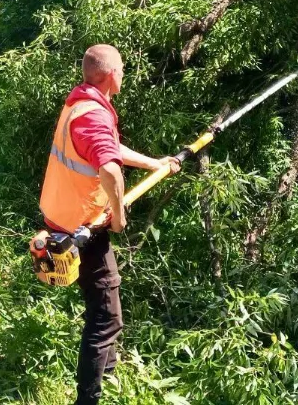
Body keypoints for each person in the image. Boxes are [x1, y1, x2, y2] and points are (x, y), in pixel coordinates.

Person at [39, 44, 181, 405]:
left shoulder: (80, 103)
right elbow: (110, 168)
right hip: (81, 229)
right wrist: (118, 216)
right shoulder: (92, 115)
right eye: (122, 69)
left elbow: (111, 149)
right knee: (106, 318)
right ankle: (88, 399)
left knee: (103, 301)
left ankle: (110, 372)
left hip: (63, 218)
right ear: (112, 75)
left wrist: (154, 163)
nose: (123, 74)